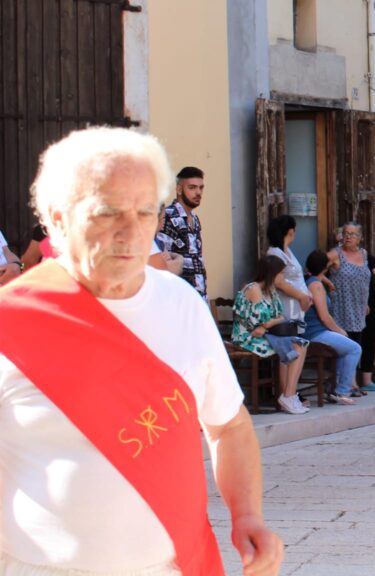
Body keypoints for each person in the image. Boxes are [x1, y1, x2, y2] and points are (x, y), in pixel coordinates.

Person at [0, 127, 282, 574]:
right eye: (108, 213)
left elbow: (228, 426)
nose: (132, 234)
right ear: (56, 218)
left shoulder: (181, 302)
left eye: (146, 212)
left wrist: (247, 514)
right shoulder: (9, 322)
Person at [232, 255, 310, 415]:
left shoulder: (271, 291)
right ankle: (288, 396)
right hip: (248, 337)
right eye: (280, 273)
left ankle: (288, 395)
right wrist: (268, 323)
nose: (282, 277)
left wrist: (267, 325)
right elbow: (259, 320)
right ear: (271, 273)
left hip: (264, 334)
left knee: (299, 344)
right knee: (296, 346)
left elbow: (280, 316)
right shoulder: (253, 288)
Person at [327, 222, 375, 394]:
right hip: (341, 306)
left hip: (359, 308)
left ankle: (352, 382)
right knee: (345, 344)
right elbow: (314, 270)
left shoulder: (364, 255)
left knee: (357, 343)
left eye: (353, 234)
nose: (349, 236)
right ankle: (347, 384)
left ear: (360, 238)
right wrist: (325, 283)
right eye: (346, 233)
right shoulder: (336, 254)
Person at [304, 250, 363, 405]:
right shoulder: (316, 286)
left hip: (315, 331)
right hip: (315, 333)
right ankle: (342, 390)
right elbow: (324, 316)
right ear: (326, 268)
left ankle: (334, 388)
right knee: (354, 348)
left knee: (345, 349)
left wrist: (327, 281)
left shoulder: (311, 280)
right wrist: (340, 331)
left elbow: (317, 274)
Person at [162, 166, 207, 296]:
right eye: (192, 187)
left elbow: (197, 260)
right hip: (178, 297)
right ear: (179, 189)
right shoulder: (168, 216)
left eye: (201, 187)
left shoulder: (195, 219)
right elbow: (163, 258)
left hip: (198, 296)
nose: (198, 192)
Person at [266, 215, 313, 330]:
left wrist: (307, 294)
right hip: (287, 306)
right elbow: (278, 281)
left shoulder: (287, 250)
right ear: (290, 231)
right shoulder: (275, 253)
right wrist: (301, 296)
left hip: (297, 308)